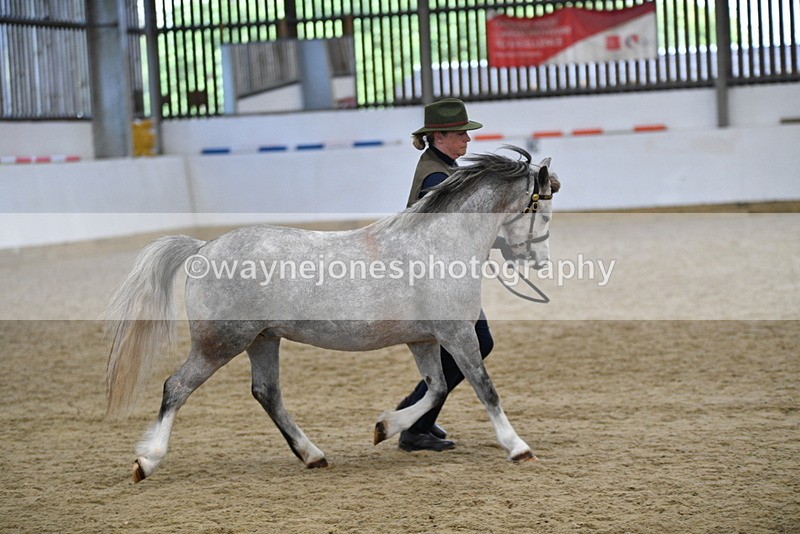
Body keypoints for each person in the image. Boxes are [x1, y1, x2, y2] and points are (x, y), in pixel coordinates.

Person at [396, 98, 496, 452]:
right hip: (434, 282)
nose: (468, 140)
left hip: (442, 279)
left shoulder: (445, 166)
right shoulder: (435, 175)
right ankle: (414, 423)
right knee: (478, 343)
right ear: (439, 135)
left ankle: (415, 417)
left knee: (475, 344)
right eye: (461, 134)